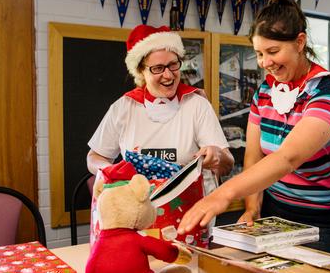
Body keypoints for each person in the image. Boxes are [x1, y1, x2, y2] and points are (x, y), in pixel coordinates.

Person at [178, 0, 330, 254]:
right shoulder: (265, 91)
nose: (265, 62)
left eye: (273, 51)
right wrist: (252, 208)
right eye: (259, 54)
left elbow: (288, 157)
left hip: (316, 224)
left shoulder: (327, 94)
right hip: (271, 212)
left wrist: (222, 194)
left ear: (300, 42)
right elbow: (254, 156)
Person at [87, 25, 234, 194]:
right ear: (141, 71)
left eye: (173, 65)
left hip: (192, 210)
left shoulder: (197, 105)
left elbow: (227, 165)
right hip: (139, 211)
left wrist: (218, 156)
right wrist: (110, 170)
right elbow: (94, 157)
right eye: (158, 68)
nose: (169, 75)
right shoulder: (123, 108)